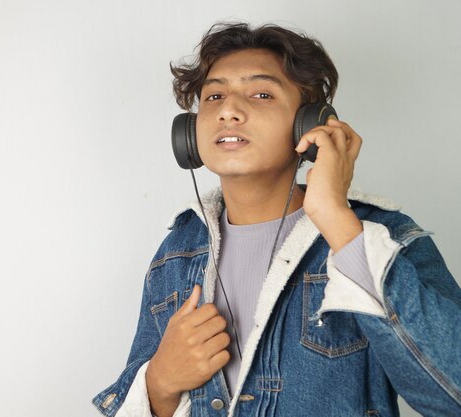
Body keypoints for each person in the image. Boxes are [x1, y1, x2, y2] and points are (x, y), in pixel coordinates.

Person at [92, 22, 461, 417]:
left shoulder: (388, 237)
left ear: (310, 124)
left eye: (261, 93)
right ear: (189, 135)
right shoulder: (176, 253)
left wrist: (336, 218)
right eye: (214, 95)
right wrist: (159, 385)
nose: (228, 110)